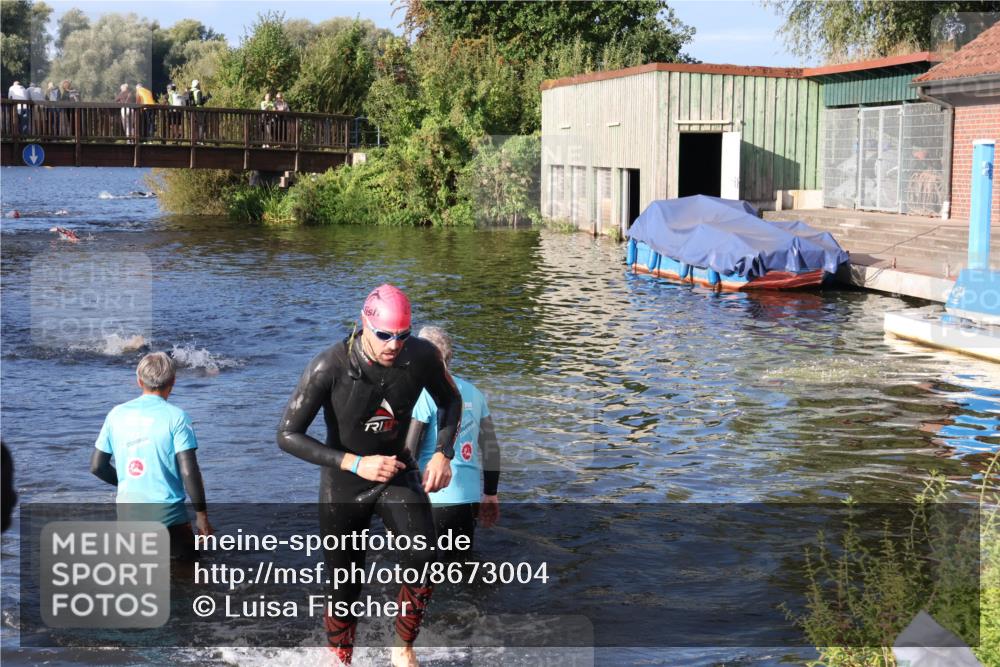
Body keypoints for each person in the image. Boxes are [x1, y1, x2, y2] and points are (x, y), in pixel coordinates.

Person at [277, 284, 461, 667]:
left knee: (425, 553)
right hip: (344, 481)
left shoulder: (422, 356)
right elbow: (287, 435)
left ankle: (403, 649)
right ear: (365, 325)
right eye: (384, 335)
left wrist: (443, 453)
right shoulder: (329, 366)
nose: (394, 345)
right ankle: (342, 658)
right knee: (344, 582)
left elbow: (450, 400)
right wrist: (355, 463)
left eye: (402, 335)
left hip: (396, 471)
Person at [91, 352, 213, 560]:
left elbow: (97, 467)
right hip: (169, 518)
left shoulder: (116, 414)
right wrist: (202, 516)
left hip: (129, 518)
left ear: (139, 381)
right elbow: (188, 470)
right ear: (173, 381)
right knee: (192, 581)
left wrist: (129, 482)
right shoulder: (177, 417)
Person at [405, 326, 500, 552]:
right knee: (460, 567)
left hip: (431, 497)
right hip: (467, 500)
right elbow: (491, 449)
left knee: (420, 573)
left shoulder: (424, 394)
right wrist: (490, 494)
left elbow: (409, 452)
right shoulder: (474, 393)